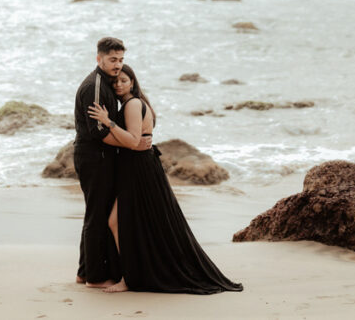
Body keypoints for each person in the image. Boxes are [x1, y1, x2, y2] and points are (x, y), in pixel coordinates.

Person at [88, 64, 243, 295]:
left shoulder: (132, 104)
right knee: (137, 224)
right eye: (115, 82)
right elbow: (134, 140)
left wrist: (107, 121)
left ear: (133, 82)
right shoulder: (136, 103)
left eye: (124, 80)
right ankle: (133, 274)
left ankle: (128, 278)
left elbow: (132, 141)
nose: (119, 84)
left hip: (139, 169)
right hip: (140, 166)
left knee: (117, 222)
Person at [72, 36, 126, 287]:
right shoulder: (94, 85)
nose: (117, 65)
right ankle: (94, 278)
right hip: (94, 157)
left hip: (100, 157)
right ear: (99, 58)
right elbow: (97, 132)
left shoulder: (105, 83)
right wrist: (131, 143)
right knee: (96, 215)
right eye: (112, 59)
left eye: (121, 60)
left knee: (95, 213)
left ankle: (84, 272)